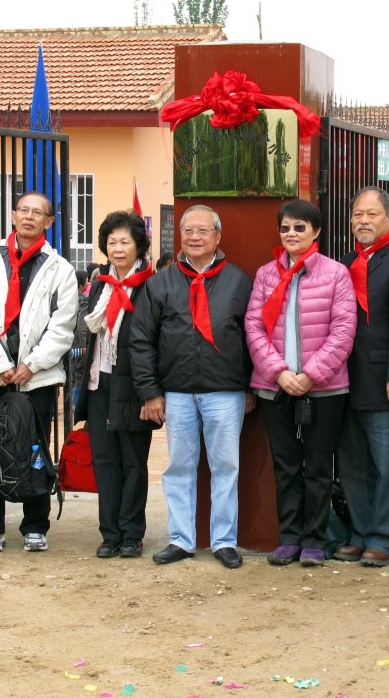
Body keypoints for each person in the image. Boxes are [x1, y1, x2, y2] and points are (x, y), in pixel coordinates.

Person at [130, 205, 253, 569]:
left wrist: (250, 386)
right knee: (180, 468)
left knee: (226, 467)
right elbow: (142, 341)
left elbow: (252, 337)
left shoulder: (238, 281)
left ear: (217, 236)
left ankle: (224, 541)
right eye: (189, 231)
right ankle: (181, 539)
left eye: (203, 231)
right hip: (177, 392)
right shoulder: (161, 283)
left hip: (225, 391)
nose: (195, 237)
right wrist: (150, 392)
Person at [245, 199, 356, 567]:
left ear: (316, 231)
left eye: (299, 227)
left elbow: (343, 330)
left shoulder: (336, 273)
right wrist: (278, 372)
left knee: (319, 467)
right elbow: (253, 326)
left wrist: (311, 374)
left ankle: (315, 541)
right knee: (286, 465)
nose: (291, 234)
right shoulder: (266, 274)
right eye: (285, 228)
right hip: (275, 385)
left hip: (324, 388)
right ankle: (289, 538)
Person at [0, 191, 77, 553]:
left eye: (38, 213)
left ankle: (35, 525)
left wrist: (32, 364)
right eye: (24, 210)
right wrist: (0, 365)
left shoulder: (60, 268)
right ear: (14, 215)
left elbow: (63, 325)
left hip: (38, 376)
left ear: (49, 221)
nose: (29, 217)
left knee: (34, 448)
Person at [334, 188, 389, 568]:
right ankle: (359, 533)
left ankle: (384, 538)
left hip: (387, 384)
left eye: (372, 214)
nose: (363, 221)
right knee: (353, 465)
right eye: (358, 214)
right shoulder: (344, 262)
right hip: (345, 381)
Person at [75, 211, 159, 559]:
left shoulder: (151, 286)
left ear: (139, 245)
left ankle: (132, 534)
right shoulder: (100, 284)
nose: (118, 248)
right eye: (112, 242)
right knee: (105, 462)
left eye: (125, 241)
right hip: (100, 384)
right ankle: (109, 534)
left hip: (134, 388)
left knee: (133, 463)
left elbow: (156, 343)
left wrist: (151, 392)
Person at [70, 269, 90, 409]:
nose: (88, 284)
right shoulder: (82, 300)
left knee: (72, 374)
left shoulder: (67, 299)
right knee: (79, 374)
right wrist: (83, 344)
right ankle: (75, 406)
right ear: (81, 284)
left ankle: (71, 403)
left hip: (69, 344)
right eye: (86, 281)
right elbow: (82, 325)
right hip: (78, 344)